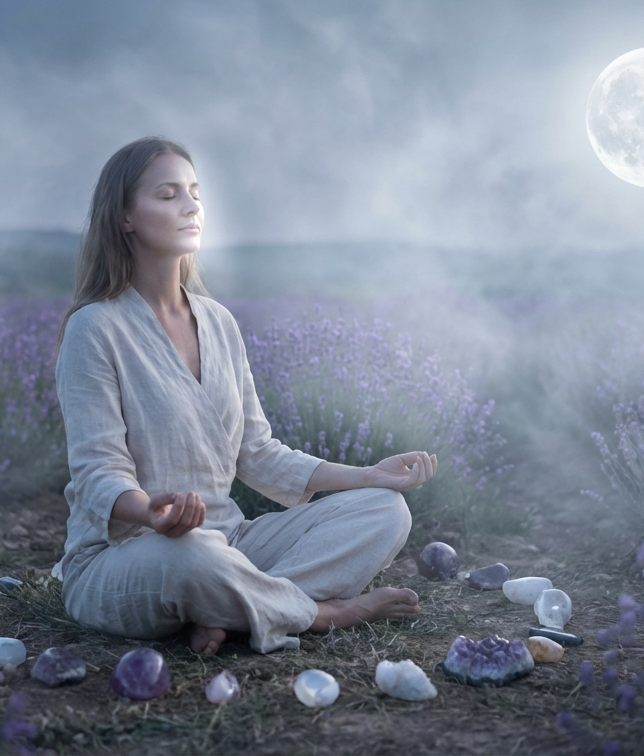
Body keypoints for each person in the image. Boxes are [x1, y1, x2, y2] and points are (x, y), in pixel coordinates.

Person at [54, 137, 436, 655]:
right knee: (192, 556)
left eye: (194, 192)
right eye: (168, 194)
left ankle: (232, 612)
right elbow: (98, 474)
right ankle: (319, 613)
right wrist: (150, 514)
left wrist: (368, 476)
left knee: (385, 511)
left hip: (230, 543)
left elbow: (258, 453)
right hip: (131, 555)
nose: (191, 206)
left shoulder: (219, 323)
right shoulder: (94, 328)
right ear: (124, 217)